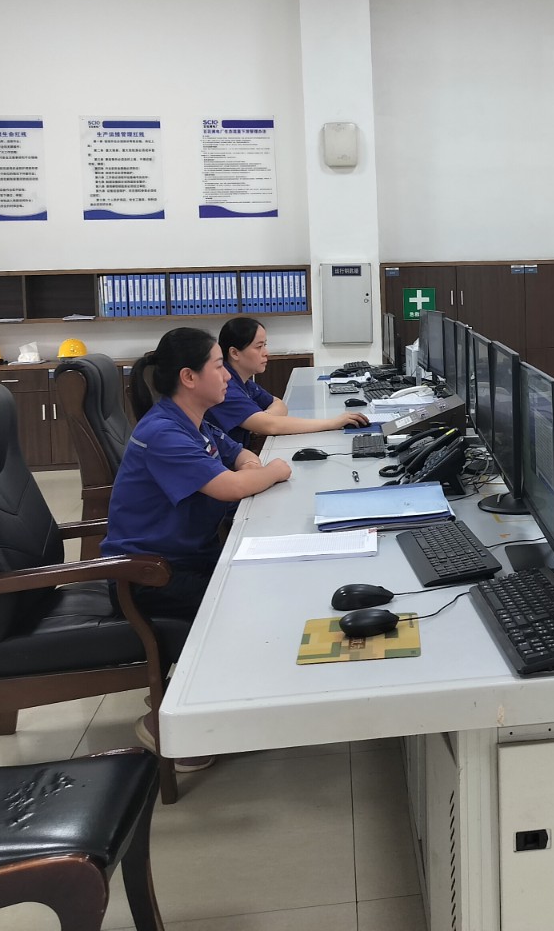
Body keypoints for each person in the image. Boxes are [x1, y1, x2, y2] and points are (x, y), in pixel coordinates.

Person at [101, 326, 291, 771]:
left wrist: (250, 466)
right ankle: (164, 721)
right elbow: (230, 487)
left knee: (265, 581)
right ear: (189, 377)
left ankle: (209, 698)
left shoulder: (193, 420)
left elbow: (238, 456)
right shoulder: (164, 432)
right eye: (219, 366)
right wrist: (275, 471)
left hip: (183, 559)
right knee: (251, 600)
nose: (226, 376)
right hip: (148, 576)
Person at [214, 316, 371, 439]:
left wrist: (262, 421)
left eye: (265, 345)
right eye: (259, 347)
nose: (266, 353)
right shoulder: (226, 388)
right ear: (234, 353)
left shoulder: (244, 383)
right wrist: (333, 423)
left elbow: (278, 404)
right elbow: (272, 426)